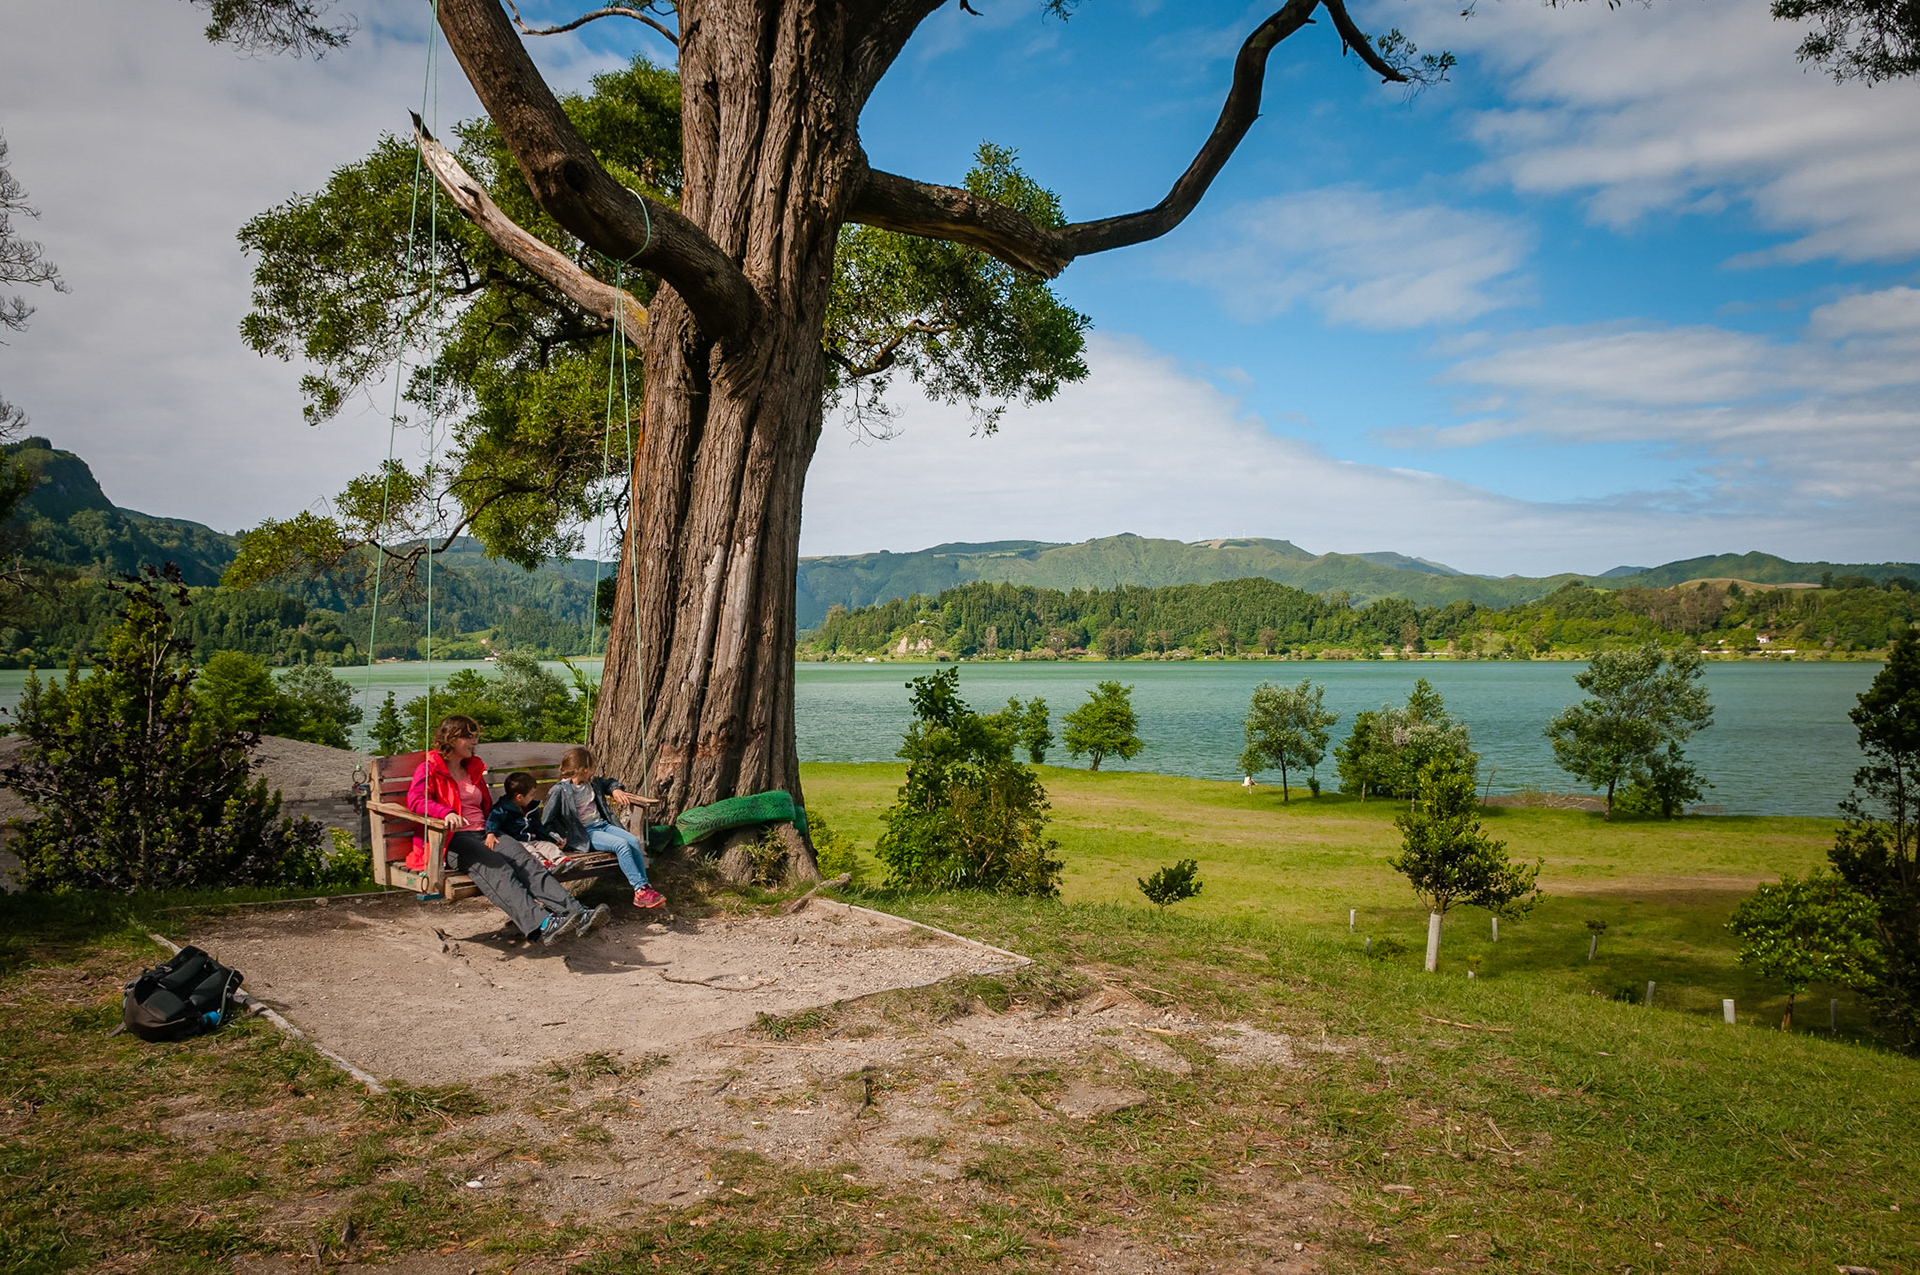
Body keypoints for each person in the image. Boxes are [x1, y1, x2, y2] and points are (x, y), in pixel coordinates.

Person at [407, 716, 608, 945]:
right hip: (453, 839)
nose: (475, 741)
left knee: (527, 863)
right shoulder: (430, 768)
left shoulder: (472, 769)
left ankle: (577, 913)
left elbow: (487, 809)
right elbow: (415, 800)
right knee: (498, 868)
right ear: (452, 738)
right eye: (469, 736)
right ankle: (543, 923)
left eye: (475, 736)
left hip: (485, 833)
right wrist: (446, 813)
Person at [542, 745, 664, 910]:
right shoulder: (560, 791)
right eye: (591, 767)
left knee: (633, 841)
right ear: (582, 769)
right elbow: (547, 820)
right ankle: (640, 889)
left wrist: (615, 790)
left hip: (603, 826)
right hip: (585, 834)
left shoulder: (593, 783)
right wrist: (556, 837)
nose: (594, 770)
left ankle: (644, 889)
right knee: (621, 845)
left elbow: (609, 782)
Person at [487, 771, 567, 867]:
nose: (533, 798)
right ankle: (543, 864)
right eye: (531, 795)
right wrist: (490, 833)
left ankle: (562, 861)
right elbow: (493, 819)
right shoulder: (502, 809)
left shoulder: (531, 808)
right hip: (517, 843)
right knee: (529, 850)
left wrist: (551, 841)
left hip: (534, 841)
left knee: (548, 846)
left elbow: (539, 829)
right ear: (519, 797)